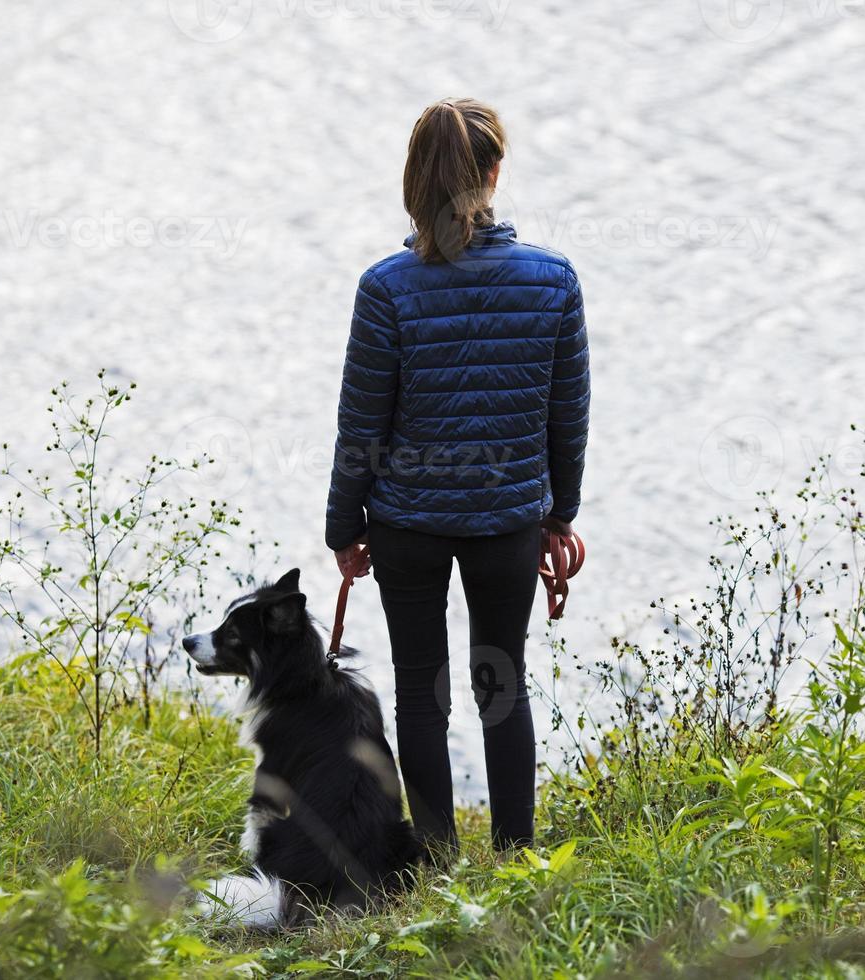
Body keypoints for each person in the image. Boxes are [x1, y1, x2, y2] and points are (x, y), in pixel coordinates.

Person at [325, 98, 590, 857]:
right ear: (495, 174)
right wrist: (560, 513)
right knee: (501, 693)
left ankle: (437, 862)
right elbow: (566, 415)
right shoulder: (553, 280)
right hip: (507, 522)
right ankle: (515, 861)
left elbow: (360, 430)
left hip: (407, 524)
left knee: (420, 694)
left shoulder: (386, 289)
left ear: (413, 179)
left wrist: (344, 529)